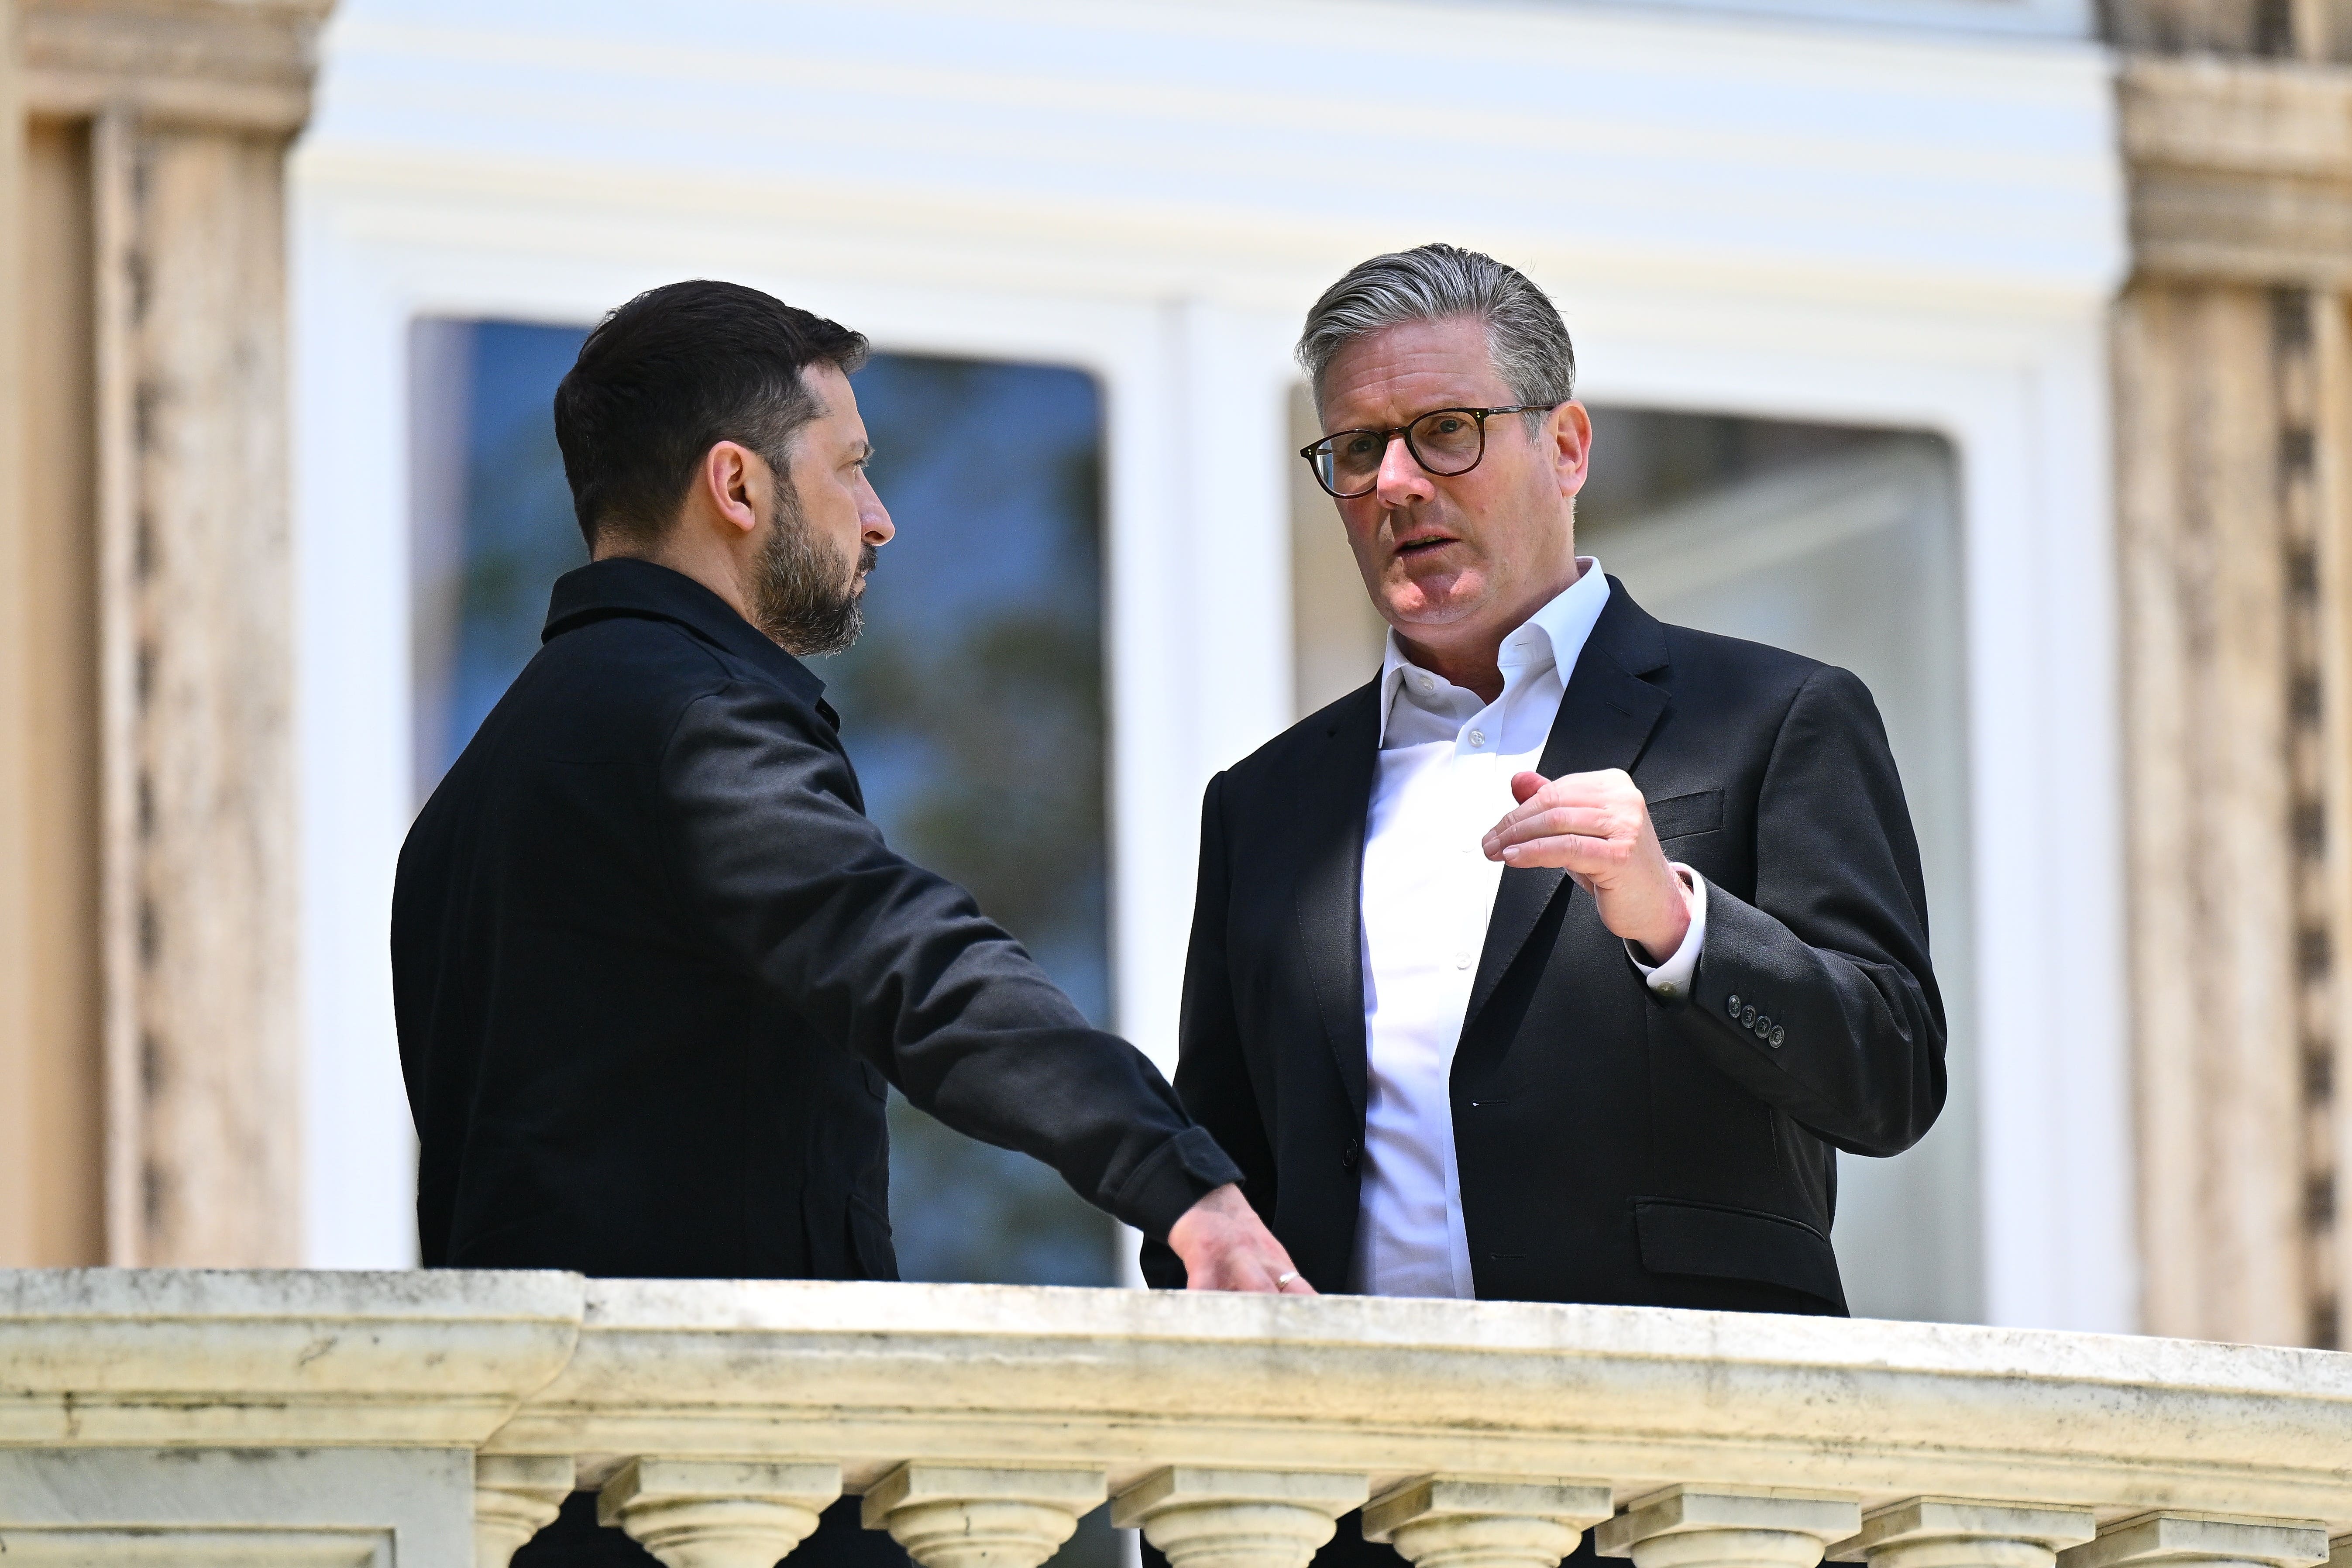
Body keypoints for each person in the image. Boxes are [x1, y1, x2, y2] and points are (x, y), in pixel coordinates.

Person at [393, 280, 1303, 1568]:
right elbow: (911, 961)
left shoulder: (477, 789)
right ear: (737, 484)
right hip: (716, 1499)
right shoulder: (687, 724)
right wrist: (1181, 1186)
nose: (878, 518)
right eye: (851, 470)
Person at [1141, 244, 1945, 1564]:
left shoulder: (1774, 716)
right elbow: (1221, 1168)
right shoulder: (1265, 804)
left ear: (1565, 445)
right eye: (1355, 451)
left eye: (1445, 433)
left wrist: (1678, 921)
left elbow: (1891, 1076)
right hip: (1351, 1506)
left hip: (1686, 1485)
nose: (1396, 483)